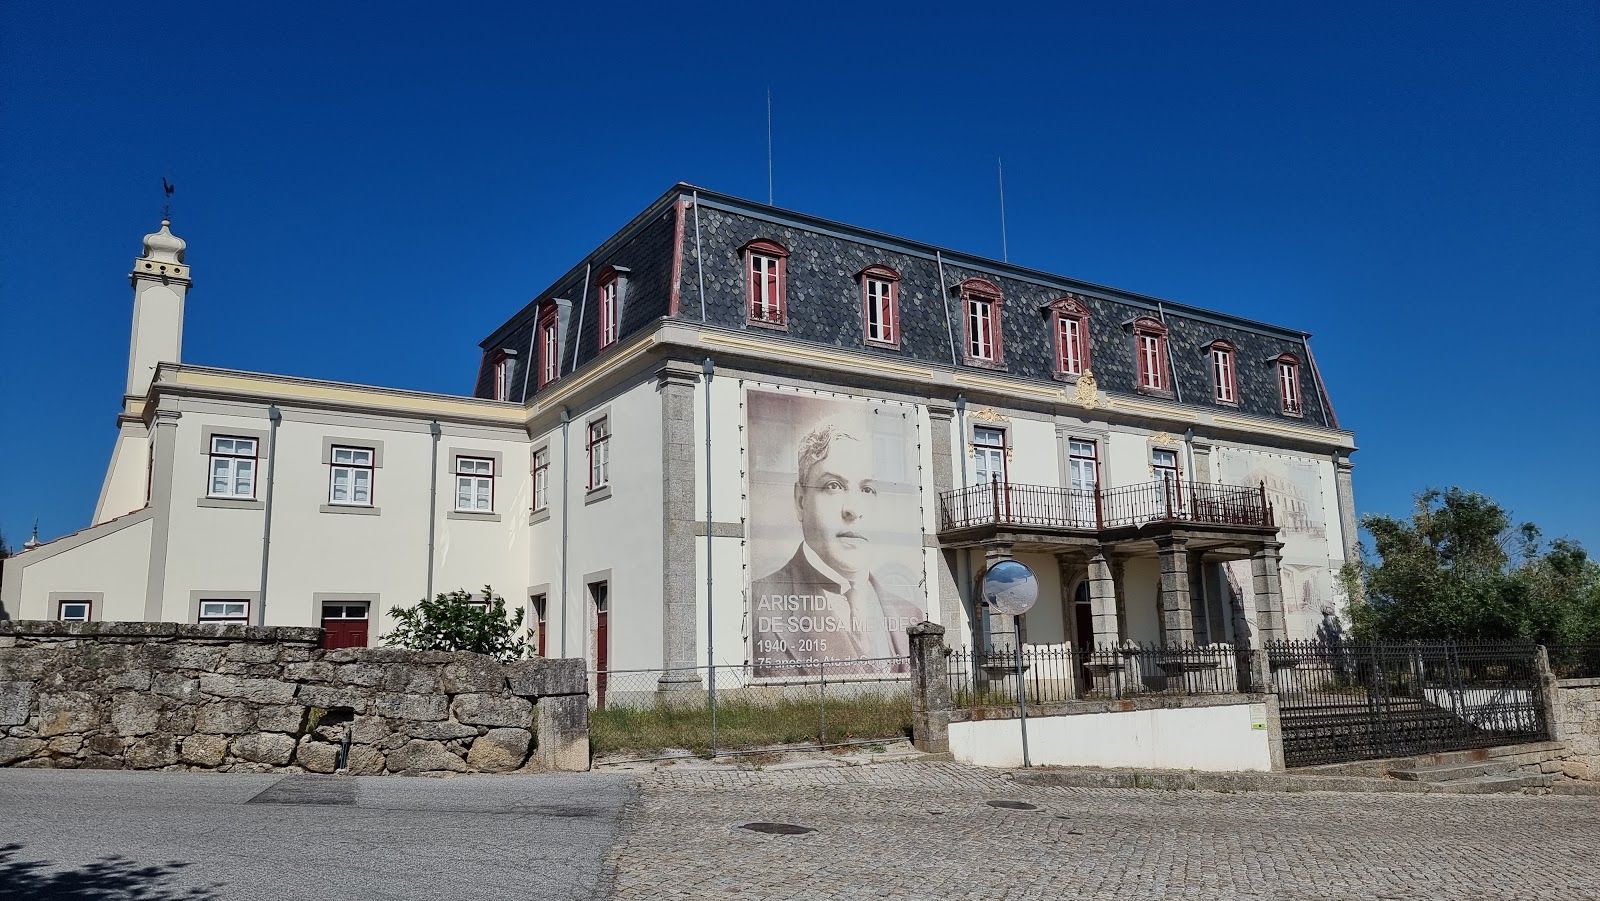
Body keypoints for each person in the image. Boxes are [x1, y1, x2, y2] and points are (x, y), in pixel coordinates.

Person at [752, 419, 922, 675]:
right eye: (833, 486)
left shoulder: (911, 614)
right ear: (800, 501)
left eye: (867, 489)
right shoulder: (756, 605)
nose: (853, 509)